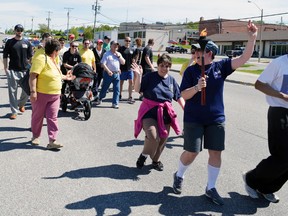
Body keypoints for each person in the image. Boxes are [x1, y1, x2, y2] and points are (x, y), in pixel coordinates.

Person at [172, 20, 258, 206]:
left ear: (209, 53)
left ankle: (210, 187)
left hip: (216, 118)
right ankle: (179, 175)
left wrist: (252, 38)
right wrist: (196, 87)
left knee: (216, 153)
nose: (194, 54)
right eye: (194, 51)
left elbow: (244, 58)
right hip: (194, 118)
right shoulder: (190, 71)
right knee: (191, 152)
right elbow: (183, 95)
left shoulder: (221, 67)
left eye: (198, 51)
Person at [242, 55, 288, 203]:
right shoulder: (280, 63)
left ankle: (267, 188)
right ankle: (251, 178)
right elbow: (259, 84)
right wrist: (281, 95)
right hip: (279, 110)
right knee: (282, 155)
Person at [133, 54, 185, 171]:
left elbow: (178, 96)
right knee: (152, 136)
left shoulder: (171, 80)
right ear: (158, 66)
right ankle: (144, 155)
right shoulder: (150, 77)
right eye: (162, 65)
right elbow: (137, 89)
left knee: (162, 139)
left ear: (170, 67)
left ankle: (155, 161)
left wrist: (185, 108)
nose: (164, 68)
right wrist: (138, 75)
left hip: (165, 114)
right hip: (149, 111)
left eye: (167, 66)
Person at [29, 39, 75, 149]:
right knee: (37, 116)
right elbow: (32, 76)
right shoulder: (41, 58)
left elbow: (56, 75)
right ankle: (35, 136)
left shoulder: (55, 59)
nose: (59, 52)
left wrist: (66, 77)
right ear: (55, 50)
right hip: (41, 94)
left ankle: (52, 141)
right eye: (58, 50)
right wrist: (33, 92)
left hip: (55, 95)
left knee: (52, 117)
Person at [3, 24, 33, 119]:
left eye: (21, 29)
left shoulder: (27, 42)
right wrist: (5, 68)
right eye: (17, 29)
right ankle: (14, 111)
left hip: (24, 71)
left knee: (27, 91)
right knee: (12, 92)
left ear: (23, 31)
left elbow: (30, 57)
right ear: (15, 30)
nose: (19, 31)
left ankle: (21, 104)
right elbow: (5, 56)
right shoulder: (10, 42)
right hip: (12, 70)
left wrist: (30, 67)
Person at [96, 40, 125, 109]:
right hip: (108, 74)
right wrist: (108, 71)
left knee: (117, 89)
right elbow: (103, 64)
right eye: (114, 45)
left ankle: (115, 103)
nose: (116, 46)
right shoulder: (107, 54)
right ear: (111, 46)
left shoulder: (118, 54)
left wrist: (119, 57)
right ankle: (100, 97)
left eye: (117, 45)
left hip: (116, 74)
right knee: (104, 88)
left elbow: (123, 62)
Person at [118, 36, 135, 104]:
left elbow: (133, 59)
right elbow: (118, 59)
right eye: (126, 40)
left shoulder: (132, 49)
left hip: (129, 69)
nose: (128, 42)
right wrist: (118, 68)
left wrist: (134, 65)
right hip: (122, 69)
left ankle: (130, 96)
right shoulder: (121, 49)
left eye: (129, 41)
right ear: (124, 41)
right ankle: (119, 95)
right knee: (121, 83)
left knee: (131, 82)